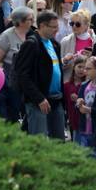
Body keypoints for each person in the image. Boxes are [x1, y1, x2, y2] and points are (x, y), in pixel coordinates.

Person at [13, 10, 65, 139]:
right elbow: (23, 75)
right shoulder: (31, 44)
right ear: (41, 26)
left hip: (56, 99)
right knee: (39, 141)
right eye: (53, 27)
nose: (56, 30)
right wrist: (39, 98)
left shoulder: (54, 44)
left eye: (57, 27)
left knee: (59, 141)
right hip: (38, 102)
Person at [0, 6, 34, 123]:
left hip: (29, 80)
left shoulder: (32, 34)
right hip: (12, 82)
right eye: (29, 19)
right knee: (14, 113)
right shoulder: (6, 36)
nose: (32, 22)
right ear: (20, 21)